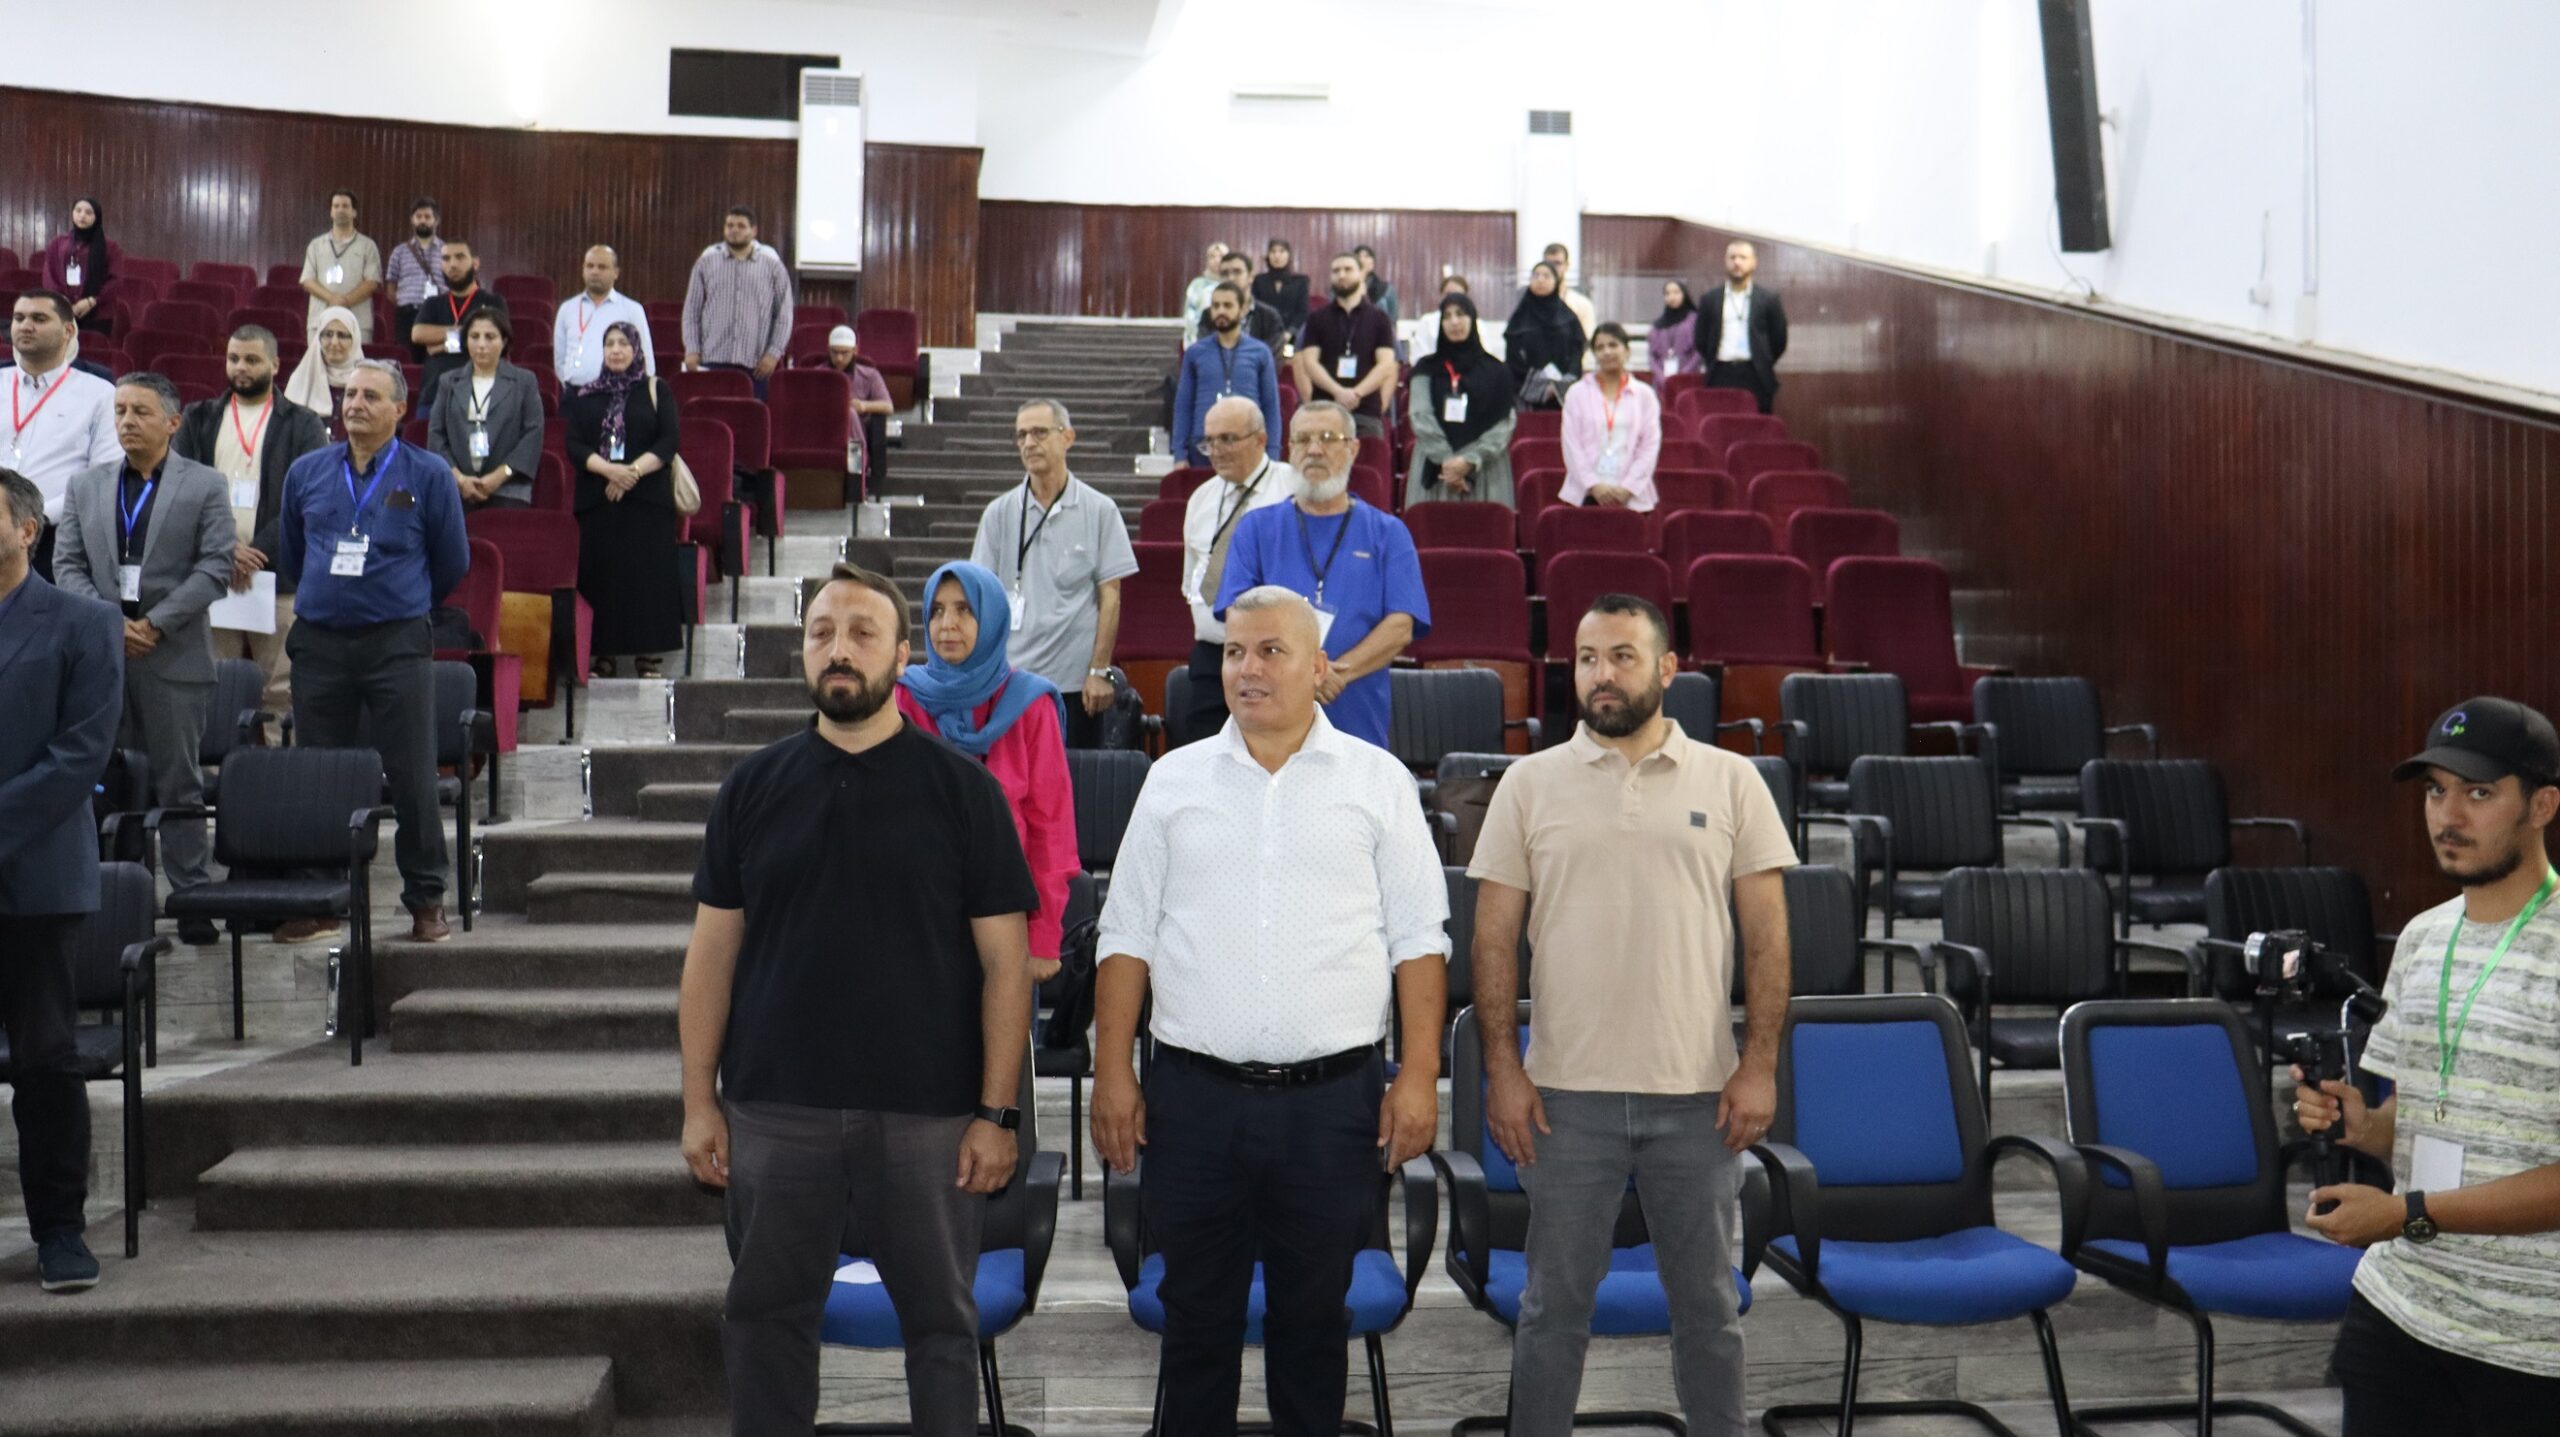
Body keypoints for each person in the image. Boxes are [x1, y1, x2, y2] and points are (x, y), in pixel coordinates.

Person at [680, 561, 1035, 1437]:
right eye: (822, 632)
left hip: (929, 1117)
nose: (839, 649)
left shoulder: (966, 792)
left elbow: (1006, 966)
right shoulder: (752, 788)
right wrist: (698, 1101)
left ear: (903, 655)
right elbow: (711, 956)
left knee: (943, 1329)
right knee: (765, 1322)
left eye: (863, 632)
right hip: (776, 1108)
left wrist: (997, 1112)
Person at [1091, 584, 1448, 1437]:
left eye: (1270, 651)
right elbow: (1126, 935)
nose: (1247, 668)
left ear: (1319, 667)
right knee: (1195, 1326)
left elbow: (1418, 942)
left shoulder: (1378, 781)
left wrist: (1420, 1077)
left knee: (1313, 1327)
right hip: (1193, 1102)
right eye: (1234, 651)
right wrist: (1112, 1072)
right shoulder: (1173, 780)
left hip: (1332, 1106)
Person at [1469, 593, 1793, 1436]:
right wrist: (1504, 1069)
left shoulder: (1733, 779)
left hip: (1698, 1099)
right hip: (1563, 1101)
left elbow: (1767, 938)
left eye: (1621, 655)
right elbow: (1493, 941)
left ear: (1667, 669)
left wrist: (1759, 1064)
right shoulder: (1528, 783)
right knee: (1551, 1311)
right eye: (1586, 658)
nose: (1601, 674)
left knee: (1709, 1312)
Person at [2294, 696, 2560, 1435]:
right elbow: (2411, 1127)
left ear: (2541, 805)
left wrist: (2407, 1211)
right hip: (2401, 1307)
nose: (2449, 815)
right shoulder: (2421, 937)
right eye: (2436, 791)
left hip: (2533, 1341)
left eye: (2479, 792)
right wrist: (2363, 1126)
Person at [276, 359, 468, 943]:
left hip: (396, 643)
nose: (354, 404)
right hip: (319, 643)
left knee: (412, 774)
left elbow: (452, 561)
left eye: (370, 396)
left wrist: (398, 598)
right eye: (350, 394)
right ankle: (321, 896)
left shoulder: (428, 474)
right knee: (319, 774)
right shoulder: (307, 471)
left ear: (399, 409)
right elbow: (292, 554)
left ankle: (426, 900)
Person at [52, 371, 236, 937]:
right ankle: (115, 898)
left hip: (173, 655)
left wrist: (154, 623)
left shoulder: (205, 484)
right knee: (107, 779)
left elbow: (216, 567)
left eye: (140, 412)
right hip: (103, 658)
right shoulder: (86, 485)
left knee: (177, 782)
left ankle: (191, 897)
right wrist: (112, 624)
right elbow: (67, 566)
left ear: (173, 422)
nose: (127, 421)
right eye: (121, 411)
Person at [0, 466, 124, 1293]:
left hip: (37, 875)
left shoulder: (84, 622)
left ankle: (59, 1231)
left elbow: (80, 754)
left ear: (27, 529)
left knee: (45, 1058)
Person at [895, 560, 1079, 982]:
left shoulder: (1031, 704)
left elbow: (1052, 828)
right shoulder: (904, 698)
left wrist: (1044, 938)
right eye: (937, 611)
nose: (947, 624)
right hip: (918, 914)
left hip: (1007, 914)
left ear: (992, 618)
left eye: (964, 609)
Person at [1214, 402, 1430, 751]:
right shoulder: (1255, 528)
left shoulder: (1389, 533)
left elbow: (1401, 625)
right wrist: (1305, 675)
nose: (1314, 450)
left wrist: (1335, 673)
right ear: (1290, 449)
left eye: (1328, 438)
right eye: (1303, 439)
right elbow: (1237, 614)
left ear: (1353, 448)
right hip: (1269, 719)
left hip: (1357, 716)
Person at [173, 325, 329, 714]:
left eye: (251, 359)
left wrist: (254, 552)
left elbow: (308, 499)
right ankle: (215, 754)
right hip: (212, 570)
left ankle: (281, 755)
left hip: (279, 574)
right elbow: (180, 488)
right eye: (234, 358)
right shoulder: (199, 417)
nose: (241, 367)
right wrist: (225, 549)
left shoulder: (303, 423)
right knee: (213, 682)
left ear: (275, 365)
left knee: (281, 688)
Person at [967, 400, 1139, 750]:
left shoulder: (1100, 509)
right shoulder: (999, 513)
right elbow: (980, 597)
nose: (1029, 443)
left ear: (1067, 437)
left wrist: (1098, 671)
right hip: (1011, 680)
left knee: (1073, 776)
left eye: (1039, 432)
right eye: (1021, 435)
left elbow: (1111, 596)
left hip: (1075, 684)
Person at [566, 322, 683, 679]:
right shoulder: (585, 394)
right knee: (602, 578)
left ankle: (647, 655)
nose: (616, 350)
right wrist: (609, 471)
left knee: (646, 577)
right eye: (610, 344)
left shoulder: (655, 389)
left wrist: (629, 473)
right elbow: (574, 445)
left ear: (636, 349)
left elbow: (668, 440)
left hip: (646, 499)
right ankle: (604, 655)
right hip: (598, 499)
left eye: (623, 344)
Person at [1177, 396, 1295, 742]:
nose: (1216, 451)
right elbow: (1192, 578)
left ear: (1261, 439)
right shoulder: (1201, 498)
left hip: (1274, 655)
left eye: (1227, 439)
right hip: (1212, 653)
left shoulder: (1292, 489)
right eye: (1209, 441)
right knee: (1204, 753)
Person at [6, 292, 121, 578]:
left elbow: (104, 475)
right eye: (19, 318)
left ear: (68, 330)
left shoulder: (100, 394)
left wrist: (38, 517)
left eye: (39, 318)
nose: (25, 326)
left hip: (55, 536)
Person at [1406, 293, 1517, 508]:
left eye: (1460, 314)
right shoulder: (1425, 369)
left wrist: (1470, 460)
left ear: (1472, 319)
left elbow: (1505, 422)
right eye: (1447, 316)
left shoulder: (1497, 371)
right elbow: (1420, 416)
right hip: (1437, 473)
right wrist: (1449, 463)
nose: (1454, 322)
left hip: (1485, 471)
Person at [427, 310, 543, 509]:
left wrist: (499, 476)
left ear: (504, 341)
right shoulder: (449, 381)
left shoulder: (524, 381)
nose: (481, 344)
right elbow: (436, 435)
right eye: (474, 336)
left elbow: (533, 434)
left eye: (490, 337)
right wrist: (459, 479)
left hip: (508, 486)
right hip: (457, 484)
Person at [681, 205, 795, 400]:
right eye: (730, 225)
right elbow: (692, 311)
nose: (734, 230)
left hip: (756, 364)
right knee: (712, 414)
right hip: (713, 359)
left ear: (754, 231)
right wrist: (692, 349)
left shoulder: (773, 267)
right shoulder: (706, 263)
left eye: (741, 226)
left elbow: (784, 315)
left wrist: (773, 354)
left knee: (751, 416)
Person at [1172, 283, 1283, 468]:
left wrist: (1272, 455)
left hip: (1247, 444)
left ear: (1243, 309)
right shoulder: (1195, 353)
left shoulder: (1260, 352)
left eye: (1228, 305)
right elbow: (1183, 405)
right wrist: (1179, 454)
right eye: (1216, 306)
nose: (1221, 311)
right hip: (1202, 448)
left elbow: (1271, 405)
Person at [1292, 255, 1399, 440]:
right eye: (1336, 271)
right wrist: (1338, 392)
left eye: (1348, 269)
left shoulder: (1380, 318)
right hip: (1325, 409)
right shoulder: (1316, 318)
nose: (1341, 275)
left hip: (1366, 411)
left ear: (1361, 274)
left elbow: (1386, 365)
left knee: (1370, 459)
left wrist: (1356, 393)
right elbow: (1309, 362)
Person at [1560, 323, 1663, 511]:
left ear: (1627, 351)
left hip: (1631, 496)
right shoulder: (1577, 393)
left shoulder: (1644, 395)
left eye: (1613, 345)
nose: (1607, 352)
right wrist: (1593, 485)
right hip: (1586, 495)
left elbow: (1649, 446)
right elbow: (1571, 445)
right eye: (1600, 348)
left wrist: (1628, 487)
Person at [408, 240, 508, 421]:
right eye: (446, 259)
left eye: (460, 257)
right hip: (434, 394)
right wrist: (467, 332)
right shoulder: (433, 303)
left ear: (475, 263)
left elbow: (495, 341)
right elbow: (418, 334)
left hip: (479, 393)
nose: (452, 264)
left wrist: (440, 346)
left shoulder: (493, 302)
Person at [1697, 240, 1787, 415]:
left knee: (1756, 426)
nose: (1737, 262)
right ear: (1725, 261)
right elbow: (1701, 339)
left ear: (1754, 262)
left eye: (1743, 257)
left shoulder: (1769, 299)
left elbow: (1779, 340)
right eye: (1732, 257)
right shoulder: (1710, 299)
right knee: (1720, 424)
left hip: (1756, 374)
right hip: (1720, 373)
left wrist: (1763, 359)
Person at [554, 245, 655, 388]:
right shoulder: (567, 309)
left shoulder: (632, 310)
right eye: (590, 266)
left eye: (602, 267)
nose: (594, 272)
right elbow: (559, 360)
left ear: (616, 273)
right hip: (575, 392)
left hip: (618, 393)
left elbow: (646, 358)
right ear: (583, 270)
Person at [298, 189, 382, 342]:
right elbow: (307, 281)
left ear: (354, 212)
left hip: (357, 321)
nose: (340, 210)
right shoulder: (316, 245)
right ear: (331, 212)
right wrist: (331, 298)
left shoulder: (367, 246)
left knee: (356, 359)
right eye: (336, 206)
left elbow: (372, 282)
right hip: (320, 320)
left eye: (345, 206)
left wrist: (346, 301)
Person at [1505, 263, 1587, 410]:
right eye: (1536, 275)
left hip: (1564, 397)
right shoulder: (1519, 319)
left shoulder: (1569, 319)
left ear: (1556, 282)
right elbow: (1513, 359)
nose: (1540, 280)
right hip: (1528, 398)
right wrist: (1541, 388)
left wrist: (1560, 386)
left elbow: (1577, 352)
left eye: (1546, 276)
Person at [822, 325, 895, 487]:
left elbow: (888, 406)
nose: (839, 358)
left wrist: (864, 406)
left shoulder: (869, 375)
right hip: (824, 429)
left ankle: (857, 468)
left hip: (855, 430)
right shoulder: (817, 374)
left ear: (855, 351)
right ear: (828, 350)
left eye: (844, 353)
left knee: (850, 413)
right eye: (835, 352)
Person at [281, 306, 364, 442]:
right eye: (328, 334)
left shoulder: (365, 382)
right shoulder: (301, 379)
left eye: (342, 335)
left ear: (354, 340)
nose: (334, 342)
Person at [39, 198, 121, 335]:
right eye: (78, 211)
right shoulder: (58, 243)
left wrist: (92, 301)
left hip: (97, 313)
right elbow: (49, 274)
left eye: (88, 212)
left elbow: (115, 280)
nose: (82, 215)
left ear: (96, 216)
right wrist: (62, 300)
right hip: (62, 310)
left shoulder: (110, 247)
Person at [382, 198, 446, 362]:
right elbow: (390, 288)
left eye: (427, 216)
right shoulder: (399, 252)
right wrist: (405, 303)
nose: (423, 220)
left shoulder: (446, 251)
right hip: (407, 315)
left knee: (435, 360)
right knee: (408, 360)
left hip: (438, 314)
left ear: (436, 220)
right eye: (419, 216)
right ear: (412, 220)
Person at [1217, 250, 1291, 355]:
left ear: (1251, 277)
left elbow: (1272, 356)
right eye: (1225, 273)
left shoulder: (1270, 316)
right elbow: (1204, 354)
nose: (1230, 278)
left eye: (1237, 272)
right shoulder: (1209, 316)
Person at [1542, 241, 1600, 346]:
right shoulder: (1529, 306)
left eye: (1558, 263)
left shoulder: (1582, 304)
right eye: (1548, 264)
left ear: (1567, 265)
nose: (1553, 268)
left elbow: (1588, 342)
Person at [1648, 279, 1702, 381]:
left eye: (1676, 292)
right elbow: (1652, 357)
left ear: (1684, 294)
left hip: (1688, 378)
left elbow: (1699, 352)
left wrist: (1682, 375)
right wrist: (1661, 377)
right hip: (1662, 381)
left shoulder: (1695, 320)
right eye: (1667, 294)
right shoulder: (1658, 325)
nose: (1672, 297)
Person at [1181, 241, 1231, 345]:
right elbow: (1189, 316)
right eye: (1212, 257)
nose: (1216, 260)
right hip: (1201, 340)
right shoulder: (1197, 285)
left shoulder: (1233, 285)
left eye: (1221, 256)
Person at [1253, 238, 1310, 324]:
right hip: (1264, 328)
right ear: (1268, 255)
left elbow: (1302, 312)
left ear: (1289, 255)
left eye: (1282, 251)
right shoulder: (1259, 280)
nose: (1277, 255)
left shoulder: (1300, 281)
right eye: (1273, 251)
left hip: (1292, 329)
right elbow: (1255, 309)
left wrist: (1291, 330)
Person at [1354, 244, 1400, 326]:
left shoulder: (1386, 289)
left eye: (1366, 256)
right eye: (1358, 256)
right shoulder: (1341, 289)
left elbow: (1392, 321)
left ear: (1373, 262)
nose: (1362, 260)